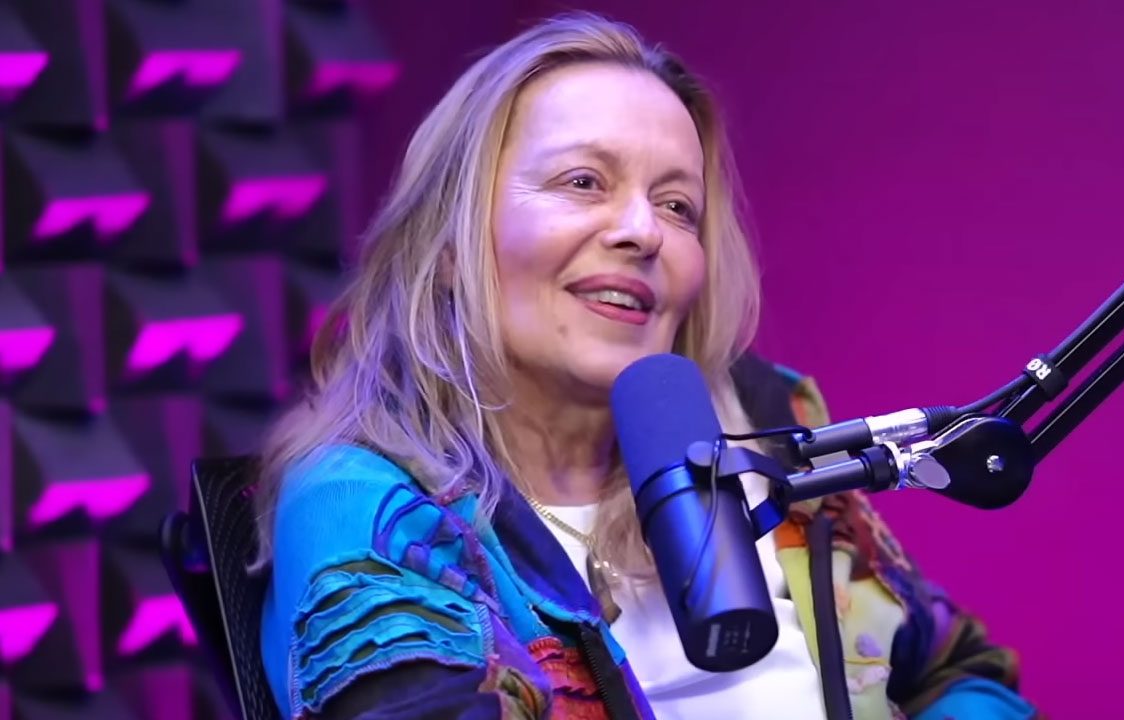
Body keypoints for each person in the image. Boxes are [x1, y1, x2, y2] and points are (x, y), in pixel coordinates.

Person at [252, 12, 1040, 720]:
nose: (642, 231)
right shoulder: (362, 503)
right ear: (452, 243)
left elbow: (953, 672)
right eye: (583, 181)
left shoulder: (764, 423)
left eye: (676, 206)